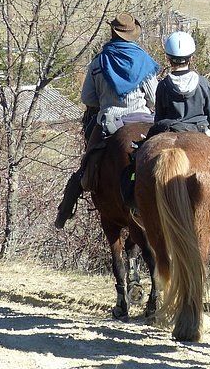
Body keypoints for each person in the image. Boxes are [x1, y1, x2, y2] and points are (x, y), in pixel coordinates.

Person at [54, 12, 159, 228]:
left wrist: (106, 99)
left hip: (109, 121)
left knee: (86, 166)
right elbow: (155, 97)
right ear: (132, 35)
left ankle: (66, 209)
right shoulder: (144, 61)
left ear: (113, 32)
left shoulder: (99, 61)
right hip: (143, 117)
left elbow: (87, 98)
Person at [148, 31, 210, 135]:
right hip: (200, 130)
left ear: (168, 58)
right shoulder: (203, 83)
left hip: (169, 131)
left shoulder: (163, 85)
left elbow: (159, 119)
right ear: (191, 58)